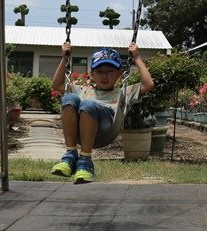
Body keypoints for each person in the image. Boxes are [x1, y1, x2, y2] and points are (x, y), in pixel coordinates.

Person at [50, 42, 154, 183]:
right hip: (83, 129)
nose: (104, 76)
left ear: (119, 73)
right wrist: (64, 58)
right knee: (69, 98)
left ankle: (85, 161)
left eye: (110, 71)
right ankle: (70, 154)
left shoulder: (124, 92)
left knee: (88, 104)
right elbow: (56, 85)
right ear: (92, 74)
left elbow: (149, 85)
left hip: (107, 127)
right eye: (99, 72)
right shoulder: (83, 90)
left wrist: (136, 57)